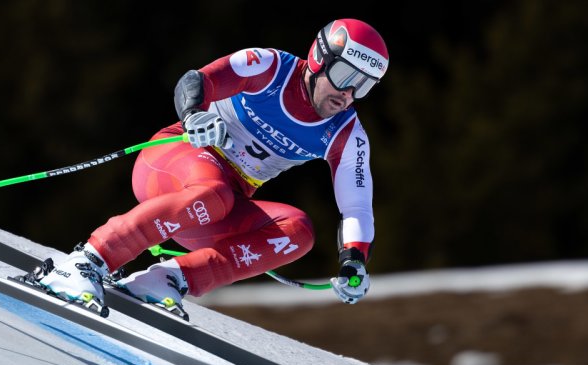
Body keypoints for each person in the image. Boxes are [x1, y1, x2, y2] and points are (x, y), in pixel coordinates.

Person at [36, 18, 389, 315]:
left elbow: (356, 206)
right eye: (345, 76)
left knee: (298, 232)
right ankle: (87, 262)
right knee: (216, 192)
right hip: (170, 165)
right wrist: (194, 115)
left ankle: (168, 278)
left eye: (364, 86)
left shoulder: (346, 134)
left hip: (214, 209)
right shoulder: (270, 67)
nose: (349, 94)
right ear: (318, 59)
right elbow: (195, 81)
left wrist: (353, 261)